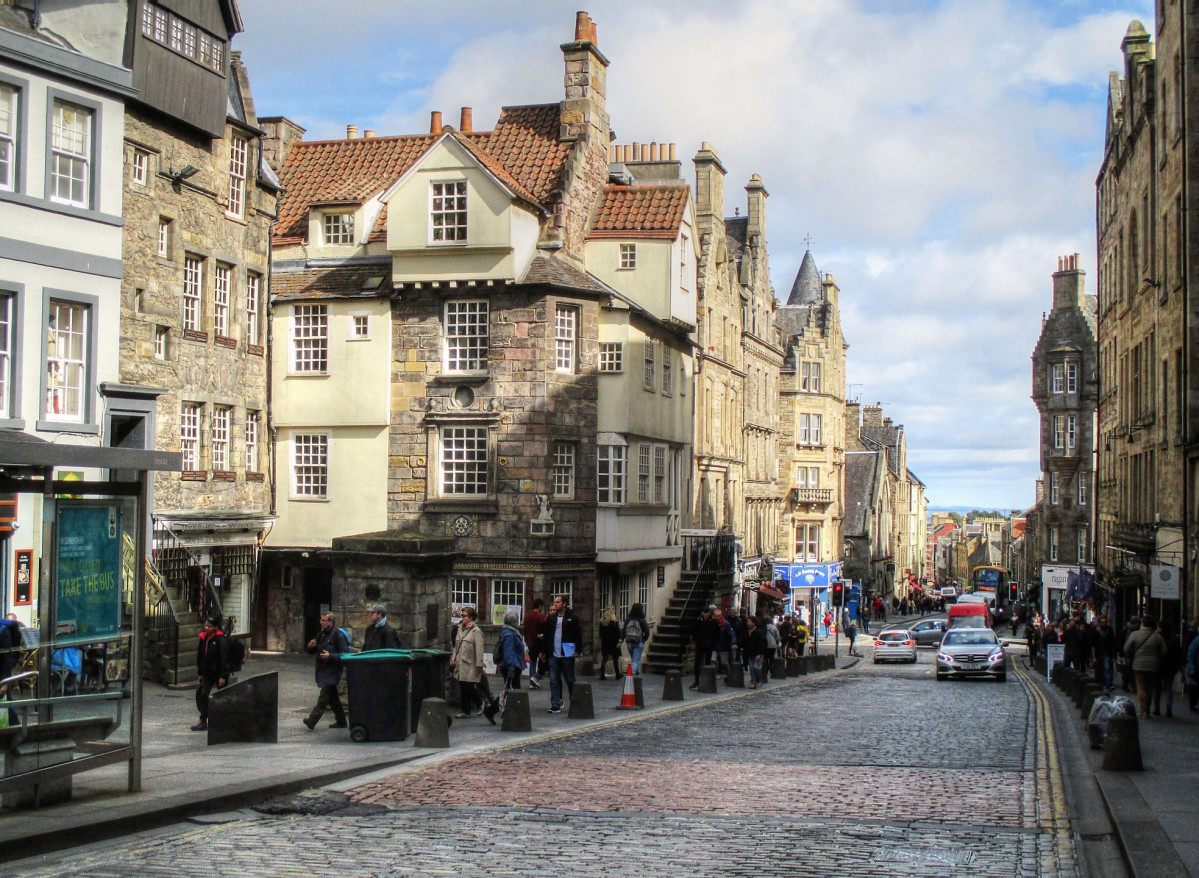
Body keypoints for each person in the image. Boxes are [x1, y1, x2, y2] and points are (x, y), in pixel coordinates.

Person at [303, 612, 349, 730]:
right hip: (323, 670)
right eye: (321, 620)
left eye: (324, 621)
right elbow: (314, 651)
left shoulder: (338, 635)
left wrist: (330, 656)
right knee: (333, 698)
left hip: (333, 671)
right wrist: (310, 647)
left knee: (323, 697)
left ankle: (312, 720)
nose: (321, 623)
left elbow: (344, 654)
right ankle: (341, 720)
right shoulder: (322, 634)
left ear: (331, 622)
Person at [540, 594, 582, 714]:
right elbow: (546, 636)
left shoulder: (572, 617)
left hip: (567, 654)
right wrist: (543, 652)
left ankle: (574, 702)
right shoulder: (552, 618)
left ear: (564, 604)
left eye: (558, 602)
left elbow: (578, 634)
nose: (555, 604)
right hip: (554, 654)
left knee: (569, 679)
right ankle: (555, 704)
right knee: (553, 680)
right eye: (555, 602)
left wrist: (578, 650)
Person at [485, 610, 527, 725]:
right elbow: (509, 653)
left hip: (513, 665)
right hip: (511, 666)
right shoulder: (509, 634)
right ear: (514, 622)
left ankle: (510, 713)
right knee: (512, 691)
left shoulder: (510, 632)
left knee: (511, 690)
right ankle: (491, 710)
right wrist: (511, 669)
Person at [1124, 615, 1167, 719]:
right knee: (1150, 688)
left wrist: (1132, 656)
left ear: (1142, 623)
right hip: (1153, 666)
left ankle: (1143, 710)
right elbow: (1164, 651)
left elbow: (1126, 648)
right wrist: (1156, 657)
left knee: (1141, 687)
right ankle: (1147, 708)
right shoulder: (1157, 636)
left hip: (1138, 665)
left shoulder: (1135, 635)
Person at [191, 615, 229, 731]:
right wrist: (200, 673)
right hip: (207, 673)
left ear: (215, 627)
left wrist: (223, 676)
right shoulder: (203, 639)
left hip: (218, 673)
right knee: (203, 695)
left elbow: (224, 658)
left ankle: (225, 720)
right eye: (206, 625)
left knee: (223, 696)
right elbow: (200, 656)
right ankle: (203, 720)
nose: (207, 628)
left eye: (209, 626)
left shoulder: (221, 639)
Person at [450, 606, 487, 719]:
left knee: (468, 687)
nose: (462, 617)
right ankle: (465, 711)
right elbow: (456, 646)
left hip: (470, 664)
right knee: (463, 687)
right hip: (460, 663)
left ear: (471, 617)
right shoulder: (460, 628)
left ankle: (480, 702)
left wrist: (479, 664)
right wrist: (453, 658)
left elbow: (479, 649)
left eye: (464, 615)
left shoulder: (477, 632)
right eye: (461, 615)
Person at [1154, 620, 1181, 718]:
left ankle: (1157, 708)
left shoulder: (1157, 638)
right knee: (1168, 688)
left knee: (1157, 688)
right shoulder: (1174, 638)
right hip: (1170, 667)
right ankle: (1169, 709)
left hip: (1159, 665)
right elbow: (1178, 654)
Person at [1, 613, 24, 725]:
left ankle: (16, 728)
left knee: (5, 700)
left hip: (1, 673)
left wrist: (5, 681)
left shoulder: (3, 631)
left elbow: (7, 658)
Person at [689, 606, 719, 689]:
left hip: (709, 645)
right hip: (700, 645)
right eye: (705, 613)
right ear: (703, 613)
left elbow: (717, 633)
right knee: (697, 663)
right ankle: (697, 681)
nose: (706, 614)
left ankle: (708, 681)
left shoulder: (713, 622)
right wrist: (696, 640)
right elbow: (694, 632)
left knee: (708, 663)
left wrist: (712, 642)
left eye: (707, 613)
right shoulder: (698, 621)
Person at [1090, 613, 1118, 689]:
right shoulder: (1096, 631)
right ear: (1099, 623)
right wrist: (1094, 657)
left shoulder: (1109, 630)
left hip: (1107, 653)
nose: (1104, 624)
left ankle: (1109, 684)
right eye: (1102, 622)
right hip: (1098, 653)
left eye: (1105, 622)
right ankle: (1099, 684)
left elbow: (1113, 643)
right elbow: (1093, 645)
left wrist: (1113, 655)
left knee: (1107, 668)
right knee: (1099, 669)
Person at [524, 598, 546, 690]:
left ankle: (531, 682)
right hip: (539, 642)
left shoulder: (527, 616)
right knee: (543, 662)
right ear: (540, 606)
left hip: (530, 642)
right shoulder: (541, 616)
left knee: (532, 662)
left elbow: (525, 630)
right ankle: (536, 677)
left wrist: (526, 640)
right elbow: (543, 630)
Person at [623, 602, 650, 675]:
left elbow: (624, 630)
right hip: (639, 641)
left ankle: (636, 671)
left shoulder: (628, 619)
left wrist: (621, 639)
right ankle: (632, 675)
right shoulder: (642, 620)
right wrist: (644, 639)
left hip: (629, 642)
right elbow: (647, 632)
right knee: (635, 659)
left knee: (634, 658)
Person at [596, 606, 622, 680]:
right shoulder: (614, 622)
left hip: (605, 643)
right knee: (615, 659)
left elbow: (600, 633)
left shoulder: (602, 622)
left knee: (604, 658)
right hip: (613, 643)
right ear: (612, 611)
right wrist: (619, 642)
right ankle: (617, 674)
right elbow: (617, 633)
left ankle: (602, 674)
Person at [743, 615, 767, 689]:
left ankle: (760, 680)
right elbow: (744, 641)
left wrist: (759, 654)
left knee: (757, 667)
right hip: (750, 653)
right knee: (751, 667)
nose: (748, 623)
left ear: (753, 623)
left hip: (758, 653)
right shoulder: (746, 632)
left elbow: (762, 643)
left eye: (749, 621)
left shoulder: (758, 632)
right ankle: (753, 682)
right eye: (747, 621)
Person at [712, 609, 735, 674]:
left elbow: (732, 634)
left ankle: (728, 675)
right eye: (716, 616)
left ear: (721, 616)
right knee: (713, 660)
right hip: (714, 646)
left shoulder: (726, 624)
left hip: (723, 646)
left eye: (719, 616)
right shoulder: (712, 623)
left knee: (724, 663)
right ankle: (712, 676)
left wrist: (733, 643)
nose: (717, 617)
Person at [1187, 625, 1199, 712]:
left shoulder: (1195, 641)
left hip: (1196, 667)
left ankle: (1193, 704)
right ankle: (1193, 704)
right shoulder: (1196, 641)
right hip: (1196, 668)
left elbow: (1190, 655)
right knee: (1194, 688)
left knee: (1194, 688)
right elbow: (1190, 655)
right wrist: (1192, 668)